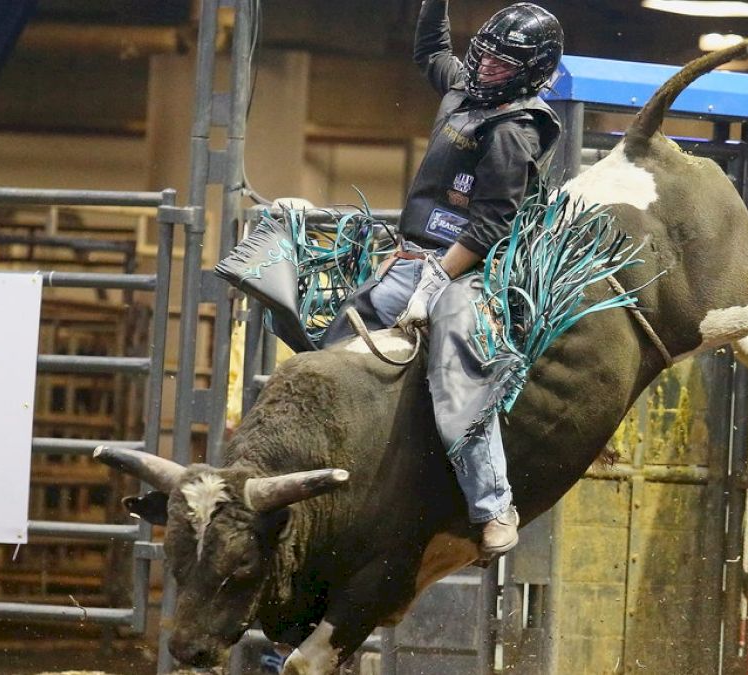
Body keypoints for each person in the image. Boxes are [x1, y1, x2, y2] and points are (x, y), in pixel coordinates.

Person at [217, 0, 563, 555]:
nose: (486, 68)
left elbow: (493, 223)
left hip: (467, 269)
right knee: (327, 348)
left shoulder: (512, 132)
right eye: (486, 56)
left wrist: (433, 281)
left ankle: (493, 503)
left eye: (503, 64)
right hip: (412, 258)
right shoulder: (465, 92)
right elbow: (432, 50)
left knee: (458, 368)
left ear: (529, 74)